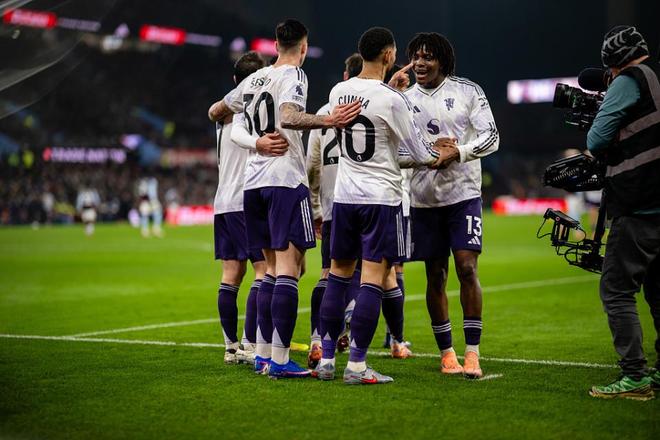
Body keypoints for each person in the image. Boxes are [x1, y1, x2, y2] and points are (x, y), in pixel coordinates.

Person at [226, 19, 361, 379]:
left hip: (253, 185)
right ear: (303, 47)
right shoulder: (295, 75)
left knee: (270, 270)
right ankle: (281, 361)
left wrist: (255, 142)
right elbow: (288, 116)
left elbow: (220, 111)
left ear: (274, 45)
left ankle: (263, 355)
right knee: (289, 268)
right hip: (284, 180)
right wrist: (329, 120)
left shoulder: (255, 79)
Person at [316, 27, 444, 384]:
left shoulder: (338, 91)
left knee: (337, 276)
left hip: (344, 198)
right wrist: (441, 150)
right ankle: (357, 366)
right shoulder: (393, 100)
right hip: (380, 199)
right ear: (389, 55)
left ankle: (327, 359)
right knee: (373, 279)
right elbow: (420, 152)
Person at [405, 32, 499, 379]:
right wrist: (429, 155)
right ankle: (447, 353)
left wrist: (457, 152)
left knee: (467, 268)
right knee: (435, 274)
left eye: (427, 57)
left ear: (442, 61)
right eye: (415, 57)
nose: (419, 63)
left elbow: (491, 137)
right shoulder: (403, 99)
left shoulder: (468, 91)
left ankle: (472, 352)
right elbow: (394, 151)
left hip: (463, 195)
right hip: (424, 199)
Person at [585, 25, 660, 401]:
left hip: (638, 200)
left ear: (613, 60)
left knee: (616, 289)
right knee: (658, 291)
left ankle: (635, 376)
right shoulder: (655, 77)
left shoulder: (629, 80)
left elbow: (596, 139)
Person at [306, 53, 364, 368]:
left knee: (328, 273)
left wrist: (316, 207)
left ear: (345, 76)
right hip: (366, 200)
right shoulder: (372, 105)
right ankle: (351, 317)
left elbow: (312, 166)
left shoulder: (323, 112)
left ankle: (318, 339)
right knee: (364, 271)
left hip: (331, 207)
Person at [211, 51, 268, 365]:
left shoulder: (224, 112)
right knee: (265, 270)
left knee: (231, 274)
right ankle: (249, 342)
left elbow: (214, 110)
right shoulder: (253, 109)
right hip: (245, 200)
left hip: (223, 202)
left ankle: (231, 347)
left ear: (235, 80)